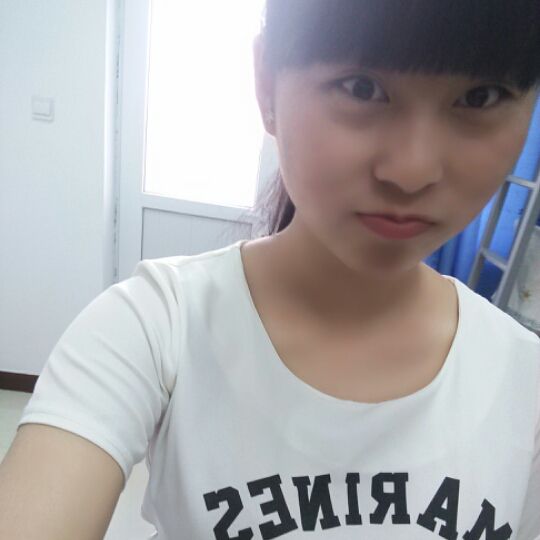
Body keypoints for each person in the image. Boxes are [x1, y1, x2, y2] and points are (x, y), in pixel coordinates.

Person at [1, 1, 539, 538]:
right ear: (266, 85)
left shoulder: (525, 381)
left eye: (480, 97)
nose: (412, 170)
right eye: (362, 88)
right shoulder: (154, 326)